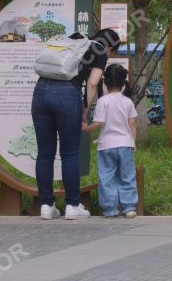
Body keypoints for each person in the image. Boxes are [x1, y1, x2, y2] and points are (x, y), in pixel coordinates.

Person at [32, 28, 121, 220]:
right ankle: (72, 205)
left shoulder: (72, 40)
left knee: (44, 153)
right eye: (111, 53)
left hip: (40, 92)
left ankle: (46, 206)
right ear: (110, 48)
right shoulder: (99, 50)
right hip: (66, 95)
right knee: (70, 153)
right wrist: (85, 111)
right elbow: (92, 83)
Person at [82, 63, 139, 218]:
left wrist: (86, 129)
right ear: (123, 83)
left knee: (106, 177)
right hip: (125, 144)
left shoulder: (103, 101)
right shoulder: (127, 102)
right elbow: (132, 123)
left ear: (105, 83)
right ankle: (129, 208)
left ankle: (110, 209)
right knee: (127, 176)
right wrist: (132, 142)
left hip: (106, 145)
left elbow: (99, 122)